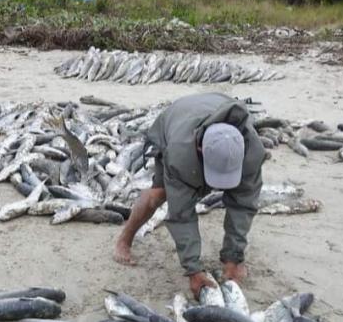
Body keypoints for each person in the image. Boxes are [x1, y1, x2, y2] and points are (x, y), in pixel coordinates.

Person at [113, 93, 265, 297]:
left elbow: (244, 205)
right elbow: (182, 215)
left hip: (213, 104)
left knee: (241, 195)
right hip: (174, 123)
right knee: (159, 194)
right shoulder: (180, 154)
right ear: (200, 149)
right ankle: (124, 239)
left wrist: (234, 257)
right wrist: (193, 269)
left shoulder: (252, 151)